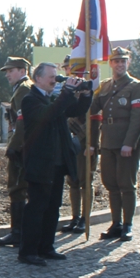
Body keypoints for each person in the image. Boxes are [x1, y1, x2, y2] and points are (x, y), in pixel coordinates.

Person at [17, 63, 93, 265]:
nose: (55, 79)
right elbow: (48, 114)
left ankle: (46, 247)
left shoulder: (53, 98)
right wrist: (66, 91)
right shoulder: (30, 100)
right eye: (51, 76)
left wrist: (85, 94)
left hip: (57, 164)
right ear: (38, 78)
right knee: (36, 207)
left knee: (53, 207)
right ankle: (28, 251)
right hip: (40, 163)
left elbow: (76, 110)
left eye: (56, 76)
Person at [89, 46, 140, 241]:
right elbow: (93, 109)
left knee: (126, 184)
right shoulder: (105, 86)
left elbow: (138, 118)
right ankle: (116, 223)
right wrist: (87, 89)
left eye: (123, 61)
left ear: (128, 63)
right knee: (111, 184)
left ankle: (128, 224)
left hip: (126, 142)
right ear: (111, 63)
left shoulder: (136, 86)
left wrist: (129, 143)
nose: (120, 64)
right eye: (116, 61)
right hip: (108, 141)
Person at [0, 56, 33, 247]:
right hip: (24, 146)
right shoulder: (21, 88)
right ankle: (21, 231)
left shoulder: (24, 89)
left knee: (17, 188)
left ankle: (18, 232)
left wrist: (13, 147)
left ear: (22, 71)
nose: (7, 74)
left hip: (22, 147)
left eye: (11, 70)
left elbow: (22, 122)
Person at [61, 56, 99, 234]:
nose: (70, 70)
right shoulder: (66, 89)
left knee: (85, 181)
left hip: (85, 142)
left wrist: (92, 144)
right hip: (70, 141)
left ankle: (85, 217)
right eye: (68, 68)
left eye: (73, 67)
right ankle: (74, 217)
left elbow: (96, 119)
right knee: (73, 181)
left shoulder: (88, 89)